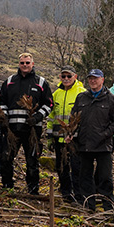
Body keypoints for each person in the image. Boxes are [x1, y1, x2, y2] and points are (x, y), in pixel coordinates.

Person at [0, 53, 53, 194]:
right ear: (19, 64)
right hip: (12, 129)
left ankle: (33, 190)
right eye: (22, 63)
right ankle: (7, 186)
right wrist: (4, 117)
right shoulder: (9, 81)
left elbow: (49, 105)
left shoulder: (41, 82)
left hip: (32, 130)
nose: (25, 65)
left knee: (32, 161)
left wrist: (37, 117)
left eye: (27, 63)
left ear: (32, 64)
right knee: (6, 158)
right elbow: (1, 102)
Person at [70, 69, 114, 210]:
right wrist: (71, 133)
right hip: (84, 144)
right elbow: (73, 119)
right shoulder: (81, 98)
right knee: (85, 177)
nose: (93, 81)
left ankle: (108, 206)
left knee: (105, 177)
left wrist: (104, 134)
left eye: (96, 78)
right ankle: (88, 206)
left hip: (103, 145)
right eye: (91, 78)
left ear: (102, 79)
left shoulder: (111, 98)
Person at [48, 67, 86, 203]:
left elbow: (84, 117)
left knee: (77, 167)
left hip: (75, 138)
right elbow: (52, 115)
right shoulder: (56, 93)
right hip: (59, 136)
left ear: (75, 76)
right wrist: (49, 135)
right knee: (61, 166)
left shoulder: (82, 92)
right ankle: (66, 194)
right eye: (63, 76)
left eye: (68, 76)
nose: (66, 79)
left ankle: (79, 195)